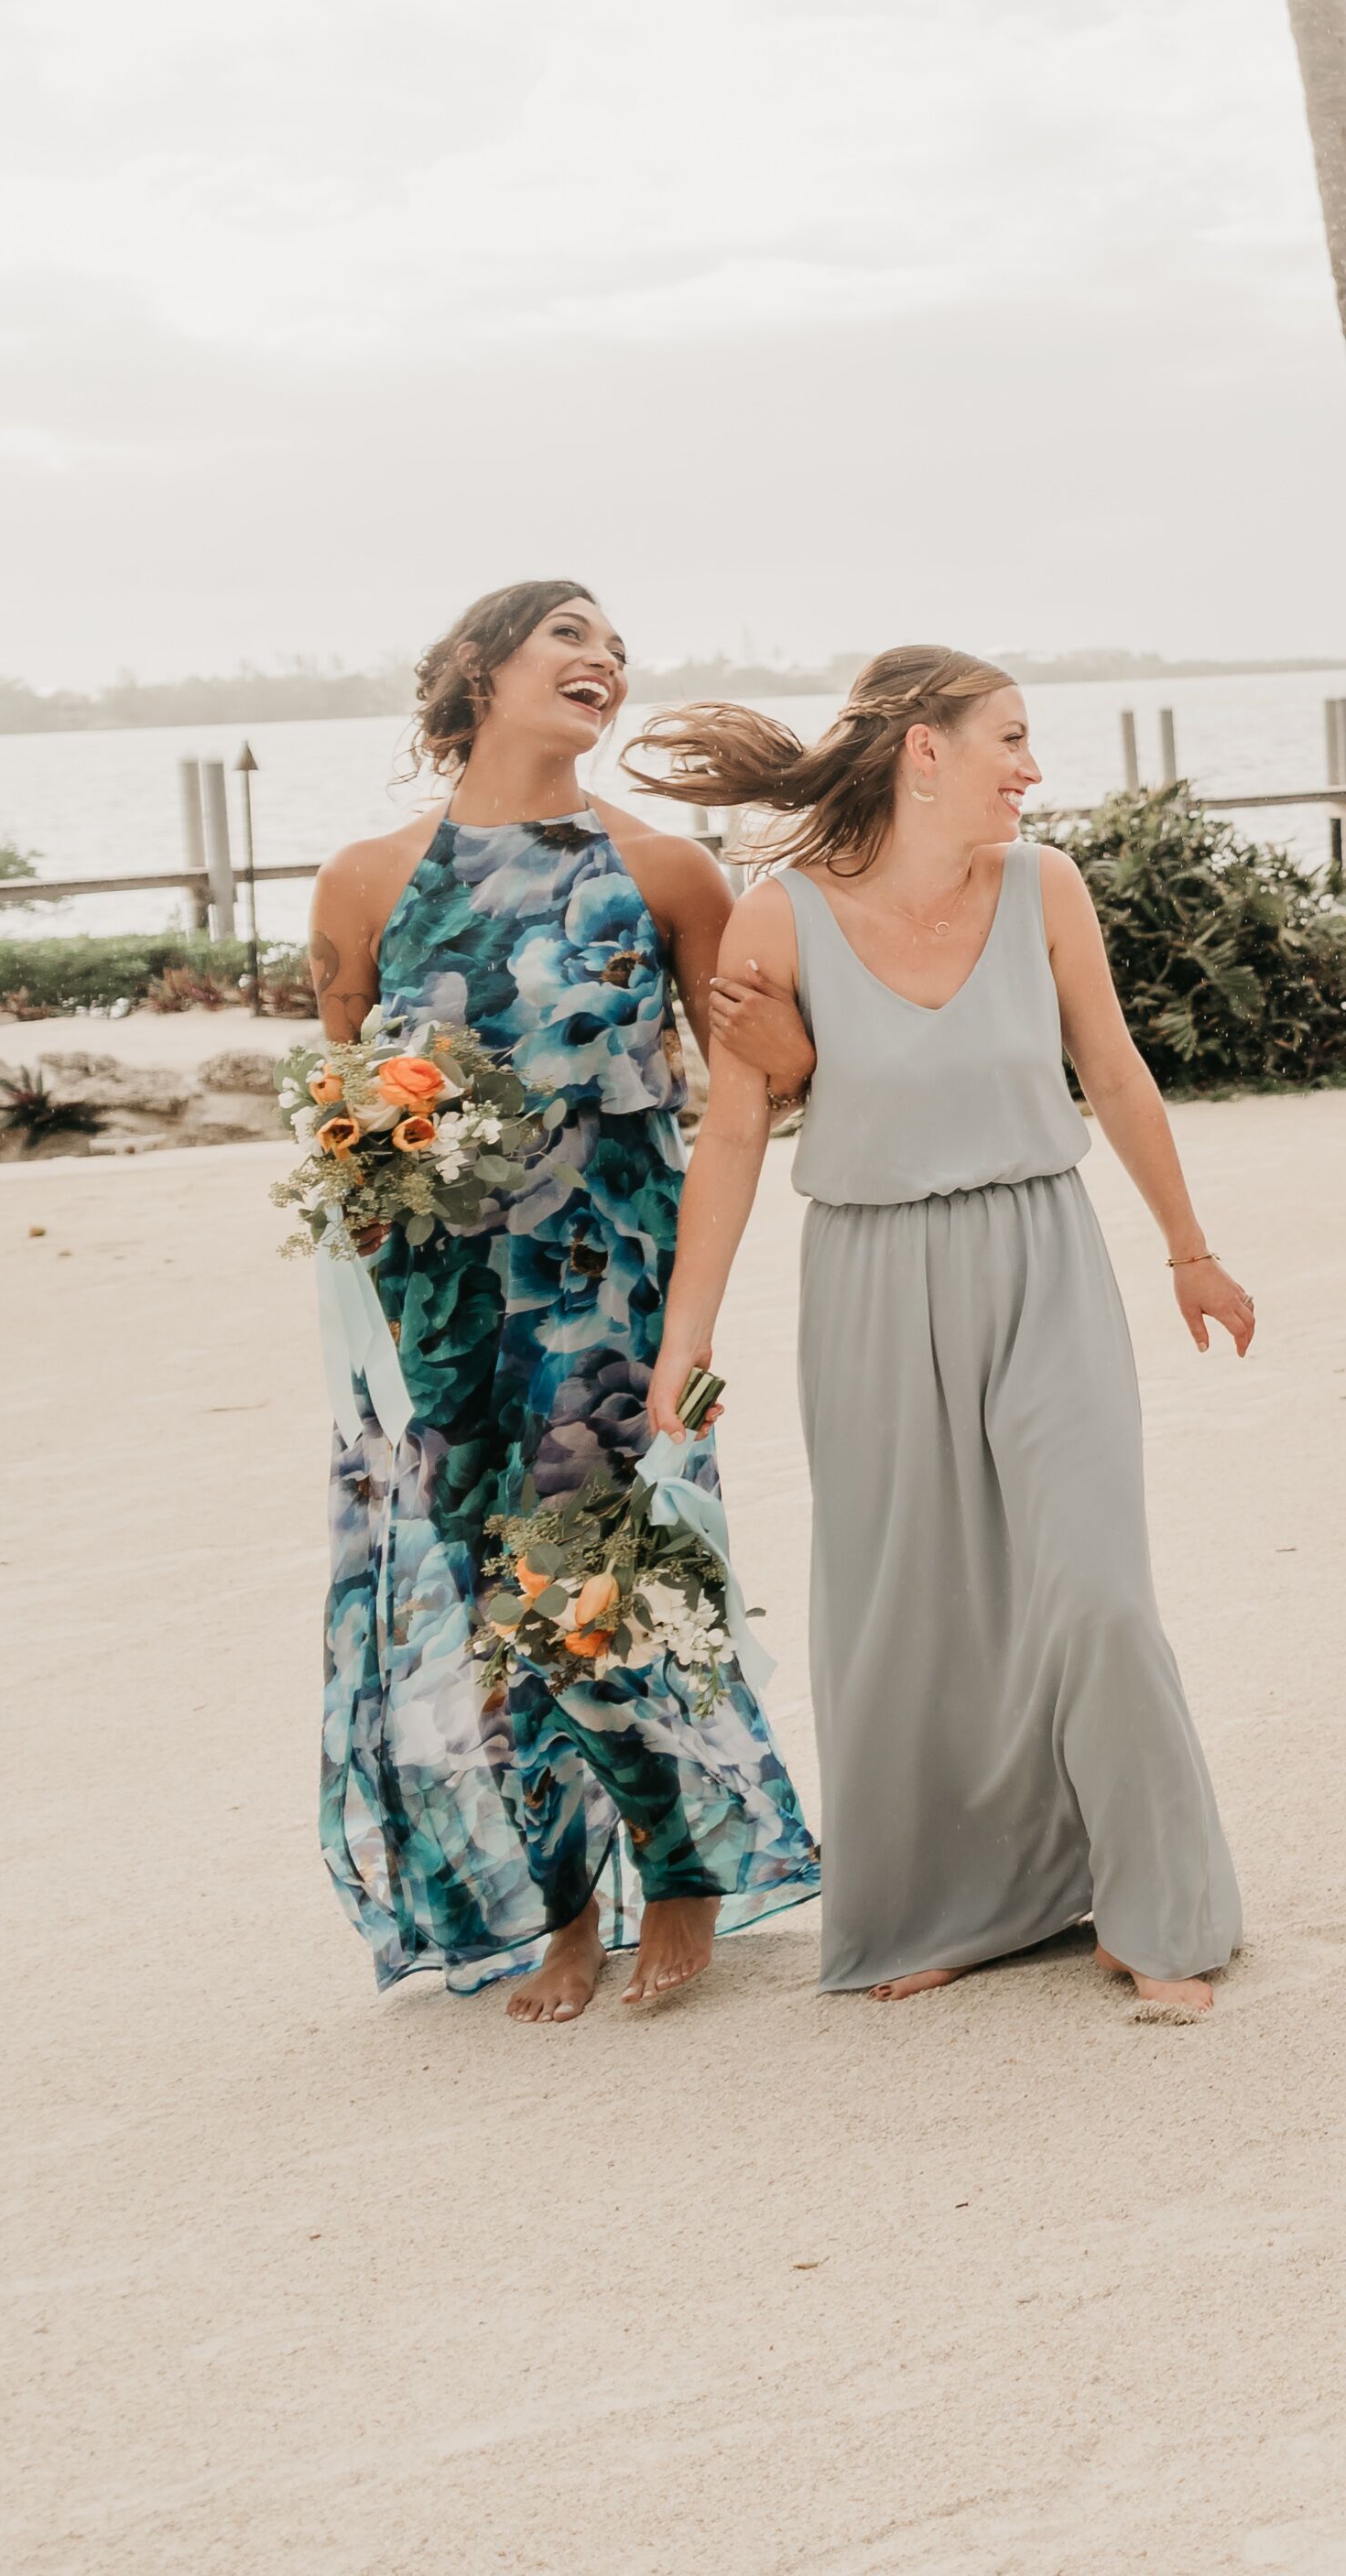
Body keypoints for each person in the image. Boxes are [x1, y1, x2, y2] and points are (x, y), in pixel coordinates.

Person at [638, 649, 1249, 2016]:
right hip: (867, 1275)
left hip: (1044, 1254)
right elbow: (733, 1133)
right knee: (909, 1606)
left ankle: (1158, 1913)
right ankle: (956, 1903)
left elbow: (1116, 1065)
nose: (1031, 769)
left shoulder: (1047, 888)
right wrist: (689, 1333)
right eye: (1010, 740)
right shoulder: (776, 918)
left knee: (1093, 1586)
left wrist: (1190, 1249)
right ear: (924, 750)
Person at [303, 580, 820, 2019]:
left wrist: (794, 1042)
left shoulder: (667, 873)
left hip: (608, 1279)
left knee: (591, 1572)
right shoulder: (363, 880)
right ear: (478, 669)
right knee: (480, 1593)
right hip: (443, 1291)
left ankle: (682, 1866)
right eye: (568, 637)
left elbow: (751, 1091)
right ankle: (558, 1904)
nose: (604, 662)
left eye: (615, 649)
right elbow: (336, 1097)